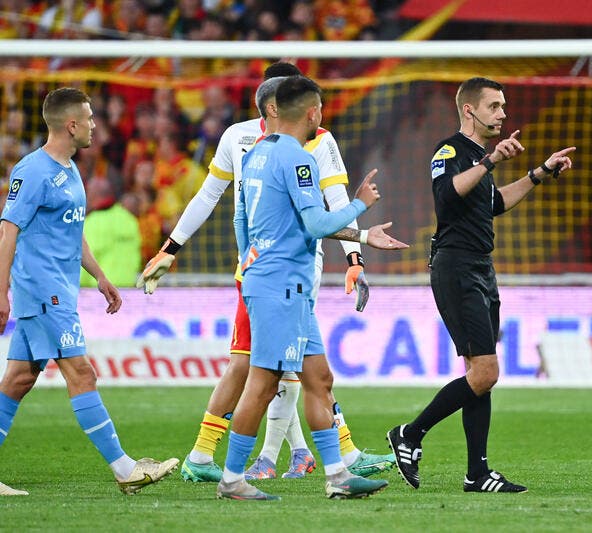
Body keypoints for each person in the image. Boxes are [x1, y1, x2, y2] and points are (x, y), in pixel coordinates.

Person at [136, 62, 401, 483]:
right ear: (287, 105)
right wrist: (361, 237)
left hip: (269, 268)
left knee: (297, 369)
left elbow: (244, 211)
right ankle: (249, 464)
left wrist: (350, 259)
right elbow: (322, 210)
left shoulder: (260, 147)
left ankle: (326, 461)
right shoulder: (274, 145)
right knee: (265, 371)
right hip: (280, 273)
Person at [387, 77, 576, 493]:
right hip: (456, 267)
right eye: (494, 106)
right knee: (486, 371)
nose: (503, 114)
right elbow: (446, 196)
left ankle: (477, 473)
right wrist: (490, 162)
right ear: (470, 110)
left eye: (503, 106)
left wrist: (539, 173)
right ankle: (410, 434)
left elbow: (493, 204)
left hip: (480, 267)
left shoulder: (475, 157)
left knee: (480, 372)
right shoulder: (451, 151)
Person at [218, 75, 397, 500]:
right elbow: (316, 223)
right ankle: (230, 479)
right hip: (281, 285)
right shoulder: (300, 160)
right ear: (312, 113)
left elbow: (240, 217)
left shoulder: (256, 154)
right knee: (261, 384)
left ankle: (337, 477)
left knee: (319, 378)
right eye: (321, 108)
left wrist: (249, 257)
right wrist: (360, 207)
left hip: (275, 281)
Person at [0, 87, 178, 497]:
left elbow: (72, 232)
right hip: (43, 291)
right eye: (91, 118)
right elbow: (8, 231)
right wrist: (2, 290)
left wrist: (99, 276)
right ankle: (125, 468)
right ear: (71, 124)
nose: (97, 125)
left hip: (60, 288)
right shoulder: (32, 171)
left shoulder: (71, 170)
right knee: (81, 373)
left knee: (18, 379)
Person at [80, 177, 142, 288]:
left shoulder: (92, 223)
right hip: (128, 287)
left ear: (92, 195)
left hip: (100, 291)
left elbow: (84, 259)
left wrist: (79, 287)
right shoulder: (128, 219)